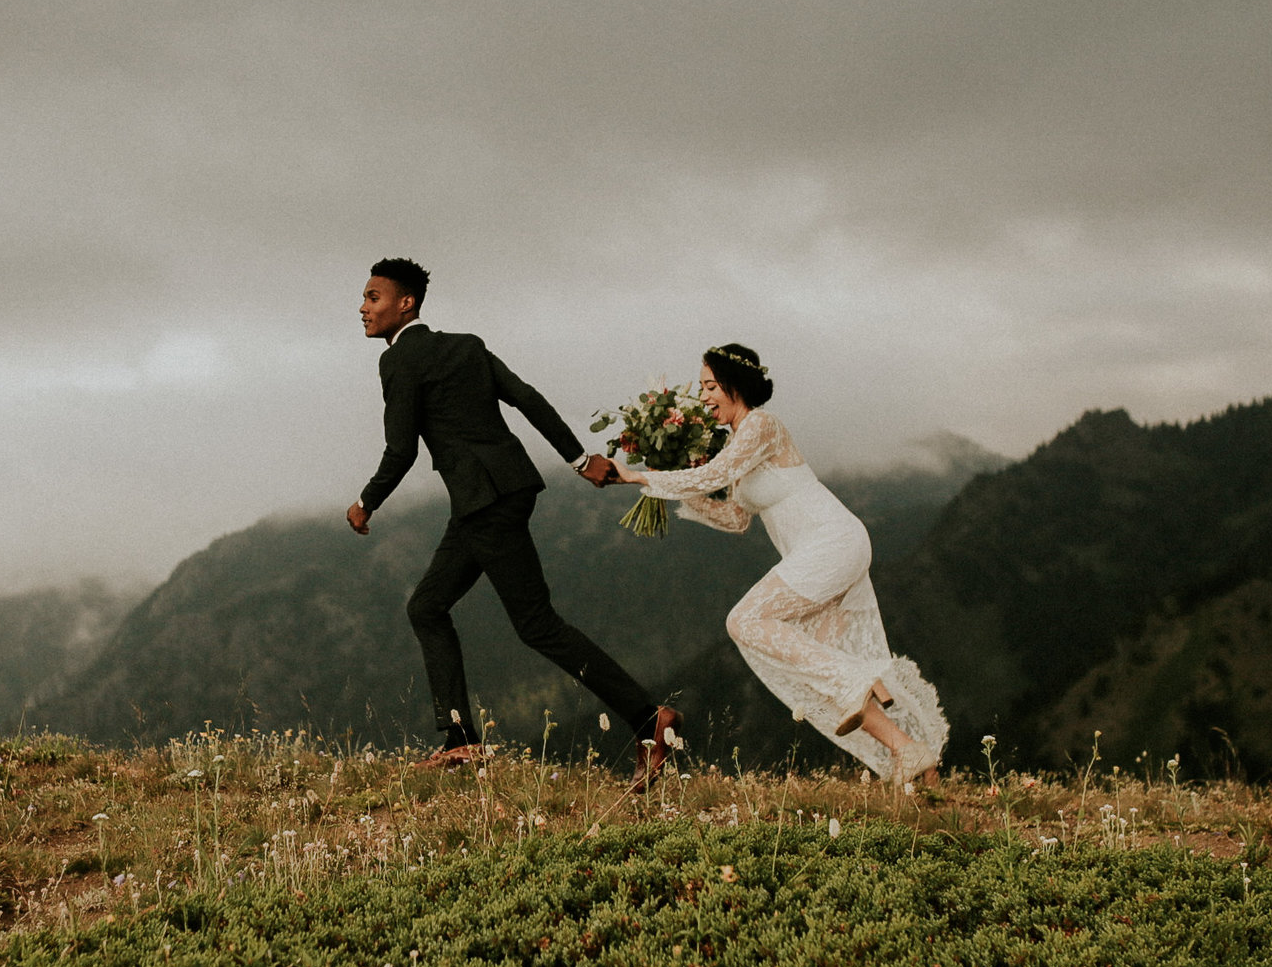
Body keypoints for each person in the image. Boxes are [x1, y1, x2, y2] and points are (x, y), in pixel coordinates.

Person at [348, 257, 684, 768]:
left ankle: (646, 719)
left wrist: (366, 501)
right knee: (427, 607)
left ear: (405, 302)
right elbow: (527, 399)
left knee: (537, 624)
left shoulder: (397, 361)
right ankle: (460, 738)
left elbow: (403, 450)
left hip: (484, 501)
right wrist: (580, 459)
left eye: (373, 297)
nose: (363, 308)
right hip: (499, 494)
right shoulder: (467, 346)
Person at [599, 344, 948, 791]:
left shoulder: (762, 426)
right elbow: (736, 518)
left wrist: (639, 476)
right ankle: (911, 755)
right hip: (822, 551)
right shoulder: (739, 441)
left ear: (735, 385)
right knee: (813, 666)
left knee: (745, 621)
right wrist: (672, 478)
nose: (704, 398)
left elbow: (713, 475)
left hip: (832, 541)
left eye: (710, 386)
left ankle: (860, 681)